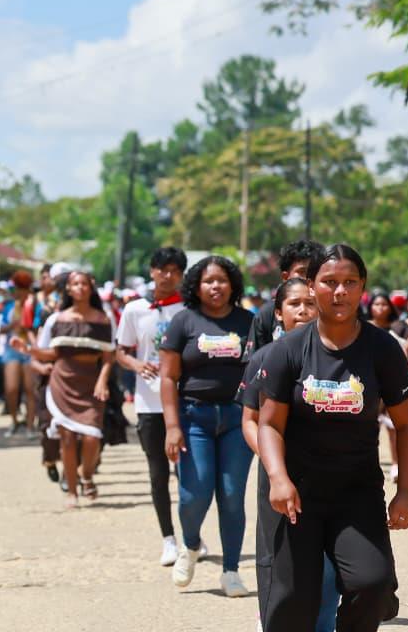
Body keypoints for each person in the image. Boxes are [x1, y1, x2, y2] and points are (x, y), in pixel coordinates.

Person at [257, 244, 408, 632]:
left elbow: (407, 423)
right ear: (312, 288)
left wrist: (406, 490)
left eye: (349, 281)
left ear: (363, 288)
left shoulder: (381, 349)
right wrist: (277, 477)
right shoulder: (288, 349)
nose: (339, 290)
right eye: (328, 281)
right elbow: (268, 423)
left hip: (356, 495)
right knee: (292, 602)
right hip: (297, 496)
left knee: (374, 583)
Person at [236, 277, 339, 632]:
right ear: (278, 313)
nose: (303, 311)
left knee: (329, 560)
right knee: (281, 554)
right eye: (293, 304)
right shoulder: (266, 357)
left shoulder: (337, 354)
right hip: (278, 475)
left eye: (310, 304)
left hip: (328, 473)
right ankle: (272, 617)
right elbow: (249, 419)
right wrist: (273, 464)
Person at [160, 255, 255, 596]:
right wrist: (172, 426)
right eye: (208, 281)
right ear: (196, 287)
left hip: (236, 418)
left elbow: (262, 371)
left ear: (233, 286)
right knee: (194, 495)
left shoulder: (249, 322)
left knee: (231, 495)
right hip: (193, 418)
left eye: (222, 281)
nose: (215, 287)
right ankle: (190, 544)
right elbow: (169, 377)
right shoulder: (183, 322)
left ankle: (231, 571)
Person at [13, 270, 115, 509]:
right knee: (67, 438)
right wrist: (29, 350)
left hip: (91, 383)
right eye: (75, 284)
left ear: (91, 288)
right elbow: (51, 353)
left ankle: (86, 474)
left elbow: (110, 355)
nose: (79, 288)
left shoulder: (103, 318)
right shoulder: (56, 320)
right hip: (62, 382)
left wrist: (102, 381)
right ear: (68, 289)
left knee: (91, 438)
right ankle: (71, 490)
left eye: (84, 284)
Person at [116, 246, 188, 565]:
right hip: (148, 404)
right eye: (163, 269)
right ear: (152, 271)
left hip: (184, 403)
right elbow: (121, 351)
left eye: (175, 270)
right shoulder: (135, 310)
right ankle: (168, 538)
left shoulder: (189, 310)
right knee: (158, 473)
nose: (168, 275)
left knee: (188, 475)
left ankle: (192, 535)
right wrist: (135, 365)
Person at [247, 240, 325, 355]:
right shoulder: (267, 314)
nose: (309, 278)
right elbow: (253, 362)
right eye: (302, 272)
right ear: (285, 276)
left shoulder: (330, 310)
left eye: (314, 272)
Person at [0, 271, 38, 435]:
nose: (18, 292)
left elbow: (37, 325)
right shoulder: (9, 307)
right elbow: (0, 328)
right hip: (12, 349)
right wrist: (12, 325)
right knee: (11, 388)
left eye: (22, 288)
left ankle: (29, 425)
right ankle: (14, 420)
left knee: (30, 389)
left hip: (29, 349)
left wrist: (27, 327)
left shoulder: (35, 305)